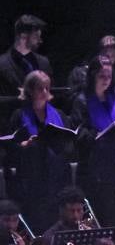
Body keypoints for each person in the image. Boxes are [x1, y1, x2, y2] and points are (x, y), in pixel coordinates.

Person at [72, 56, 115, 232]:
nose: (106, 79)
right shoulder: (82, 100)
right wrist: (96, 135)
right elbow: (78, 132)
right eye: (102, 76)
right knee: (101, 215)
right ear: (93, 75)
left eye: (109, 75)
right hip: (95, 168)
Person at [7, 70, 74, 231]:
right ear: (30, 90)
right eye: (40, 88)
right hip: (32, 181)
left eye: (47, 88)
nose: (44, 92)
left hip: (56, 179)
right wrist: (24, 145)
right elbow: (10, 147)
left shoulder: (59, 114)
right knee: (36, 225)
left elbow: (70, 144)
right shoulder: (19, 115)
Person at [0, 14, 50, 98]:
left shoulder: (44, 63)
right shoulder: (2, 65)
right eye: (36, 37)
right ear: (23, 36)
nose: (40, 41)